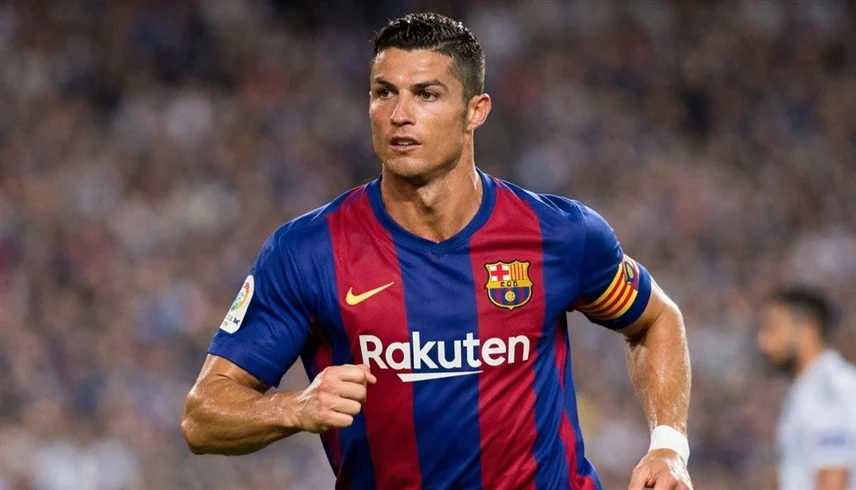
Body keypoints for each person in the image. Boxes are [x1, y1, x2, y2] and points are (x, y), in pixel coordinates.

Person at [181, 12, 693, 490]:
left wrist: (669, 445)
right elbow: (202, 416)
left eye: (426, 94)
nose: (399, 114)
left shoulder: (558, 234)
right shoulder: (308, 252)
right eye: (384, 93)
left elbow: (655, 320)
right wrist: (293, 408)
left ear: (476, 111)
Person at [758, 287, 856, 490]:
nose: (763, 340)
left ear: (808, 331)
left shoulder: (827, 390)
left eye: (773, 327)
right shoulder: (807, 388)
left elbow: (833, 477)